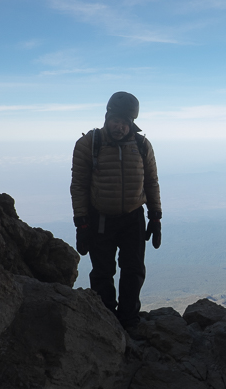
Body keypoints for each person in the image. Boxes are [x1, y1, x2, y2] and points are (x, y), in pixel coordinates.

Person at [70, 91, 161, 329]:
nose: (118, 127)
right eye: (114, 121)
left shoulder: (141, 145)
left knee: (133, 270)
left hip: (133, 218)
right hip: (100, 219)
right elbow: (78, 185)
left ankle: (129, 320)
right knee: (102, 272)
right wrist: (81, 223)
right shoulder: (90, 143)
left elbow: (151, 182)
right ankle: (106, 322)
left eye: (123, 122)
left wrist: (155, 217)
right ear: (106, 118)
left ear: (131, 123)